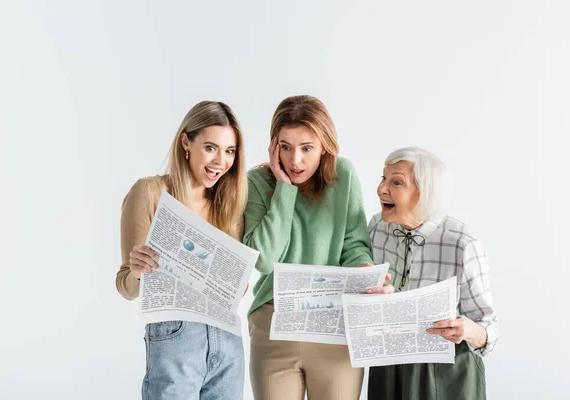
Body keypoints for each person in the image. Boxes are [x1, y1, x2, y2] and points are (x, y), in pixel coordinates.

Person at [244, 95, 392, 400]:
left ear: (324, 145)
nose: (295, 160)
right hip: (274, 324)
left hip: (333, 324)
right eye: (286, 147)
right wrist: (284, 189)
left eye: (306, 148)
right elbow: (264, 259)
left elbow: (354, 246)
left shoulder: (343, 175)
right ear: (274, 146)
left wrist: (363, 270)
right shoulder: (257, 182)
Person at [115, 101, 247, 400]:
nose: (220, 161)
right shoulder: (149, 193)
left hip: (227, 339)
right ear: (186, 141)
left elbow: (237, 290)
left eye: (230, 151)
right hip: (175, 336)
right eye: (211, 148)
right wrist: (137, 271)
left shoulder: (229, 205)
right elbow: (125, 286)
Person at [367, 146, 499, 400]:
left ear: (425, 192)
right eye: (383, 178)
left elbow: (489, 330)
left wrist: (467, 330)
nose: (381, 189)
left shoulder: (462, 243)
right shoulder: (376, 228)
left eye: (396, 182)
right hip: (388, 364)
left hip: (446, 372)